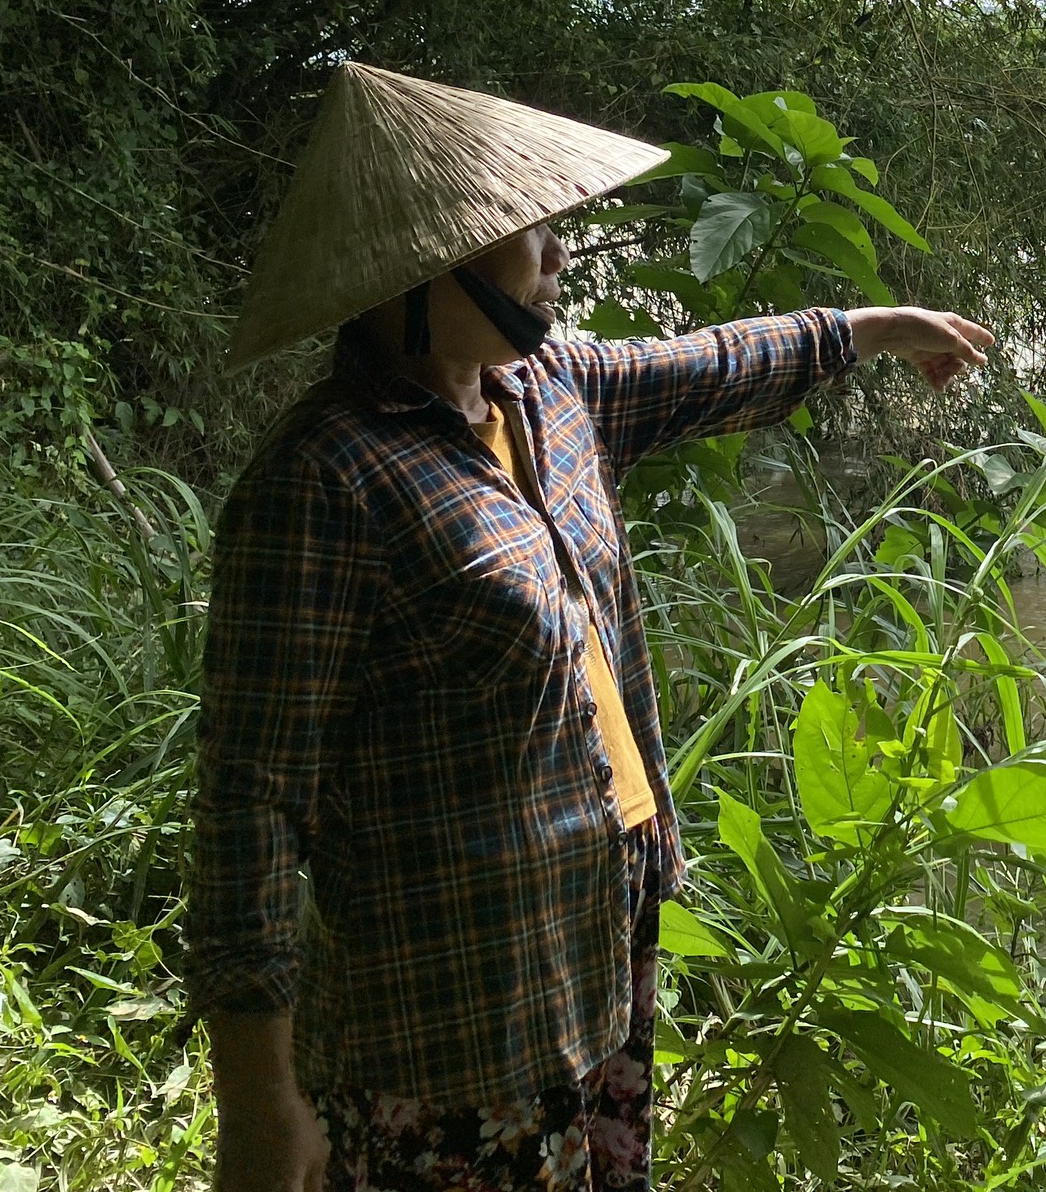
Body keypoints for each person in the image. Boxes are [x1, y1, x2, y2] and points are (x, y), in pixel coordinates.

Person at [190, 64, 992, 1192]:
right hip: (453, 1013)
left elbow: (709, 365)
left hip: (599, 936)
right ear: (427, 265)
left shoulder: (545, 387)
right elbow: (251, 802)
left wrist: (871, 327)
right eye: (531, 231)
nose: (561, 253)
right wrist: (259, 1104)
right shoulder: (326, 480)